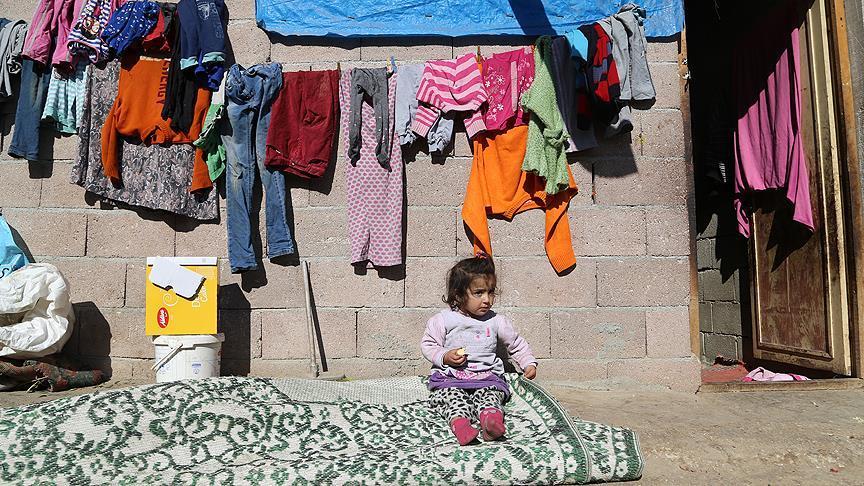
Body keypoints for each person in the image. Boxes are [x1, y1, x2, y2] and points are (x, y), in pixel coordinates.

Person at [420, 253, 538, 446]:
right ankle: (461, 424)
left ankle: (491, 422)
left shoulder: (496, 321)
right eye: (479, 293)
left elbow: (516, 343)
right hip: (450, 378)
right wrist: (444, 356)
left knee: (491, 397)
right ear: (458, 295)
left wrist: (528, 363)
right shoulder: (444, 320)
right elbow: (428, 344)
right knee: (451, 398)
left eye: (491, 292)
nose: (487, 300)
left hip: (486, 378)